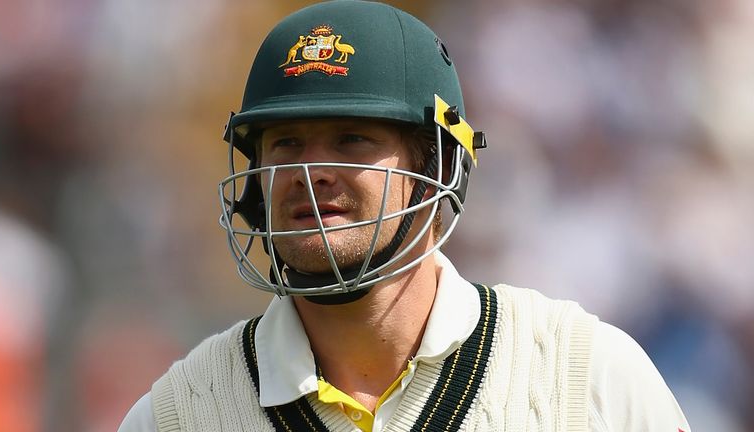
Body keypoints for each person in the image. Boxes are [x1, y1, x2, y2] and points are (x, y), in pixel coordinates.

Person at [118, 1, 690, 431]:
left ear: (437, 165)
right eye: (286, 142)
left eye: (352, 138)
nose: (310, 171)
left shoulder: (585, 378)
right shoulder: (177, 416)